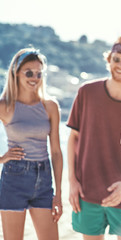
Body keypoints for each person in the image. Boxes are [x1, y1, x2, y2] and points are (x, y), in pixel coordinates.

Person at [66, 36, 121, 240]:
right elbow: (73, 139)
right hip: (87, 192)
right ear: (108, 60)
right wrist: (72, 181)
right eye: (116, 59)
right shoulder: (86, 92)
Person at [0, 48, 63, 239]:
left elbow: (57, 152)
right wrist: (2, 158)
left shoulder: (50, 106)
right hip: (14, 179)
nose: (34, 77)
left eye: (39, 73)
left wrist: (58, 193)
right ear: (16, 73)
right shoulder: (5, 106)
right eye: (29, 72)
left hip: (44, 180)